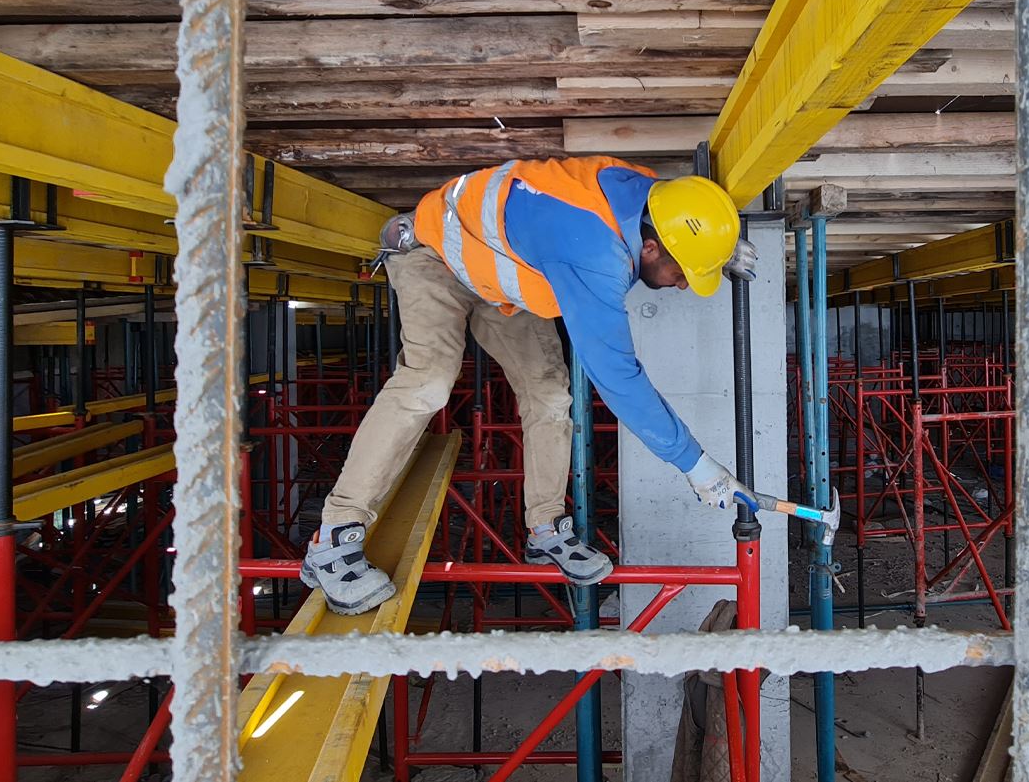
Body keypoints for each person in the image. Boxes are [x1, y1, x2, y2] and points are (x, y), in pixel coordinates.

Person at [300, 155, 759, 614]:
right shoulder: (593, 254)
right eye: (685, 273)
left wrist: (713, 252)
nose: (683, 287)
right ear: (653, 248)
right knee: (429, 382)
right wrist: (697, 467)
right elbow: (619, 378)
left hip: (498, 277)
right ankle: (335, 537)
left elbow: (681, 212)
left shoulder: (645, 197)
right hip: (435, 252)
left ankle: (545, 528)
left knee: (549, 394)